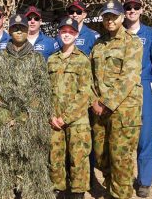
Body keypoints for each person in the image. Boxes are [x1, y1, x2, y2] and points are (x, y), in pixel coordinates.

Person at [0, 14, 54, 199]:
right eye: (15, 28)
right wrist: (5, 117)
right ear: (9, 31)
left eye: (23, 28)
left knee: (31, 163)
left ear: (28, 31)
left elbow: (41, 94)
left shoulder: (37, 59)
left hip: (29, 122)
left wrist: (22, 118)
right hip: (2, 121)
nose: (19, 31)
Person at [90, 0, 143, 199]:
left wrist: (106, 103)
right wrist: (94, 101)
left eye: (113, 16)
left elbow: (128, 78)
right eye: (106, 16)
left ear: (122, 17)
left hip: (123, 111)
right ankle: (112, 190)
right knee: (102, 157)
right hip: (99, 110)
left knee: (121, 159)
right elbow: (92, 76)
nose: (109, 20)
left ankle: (120, 195)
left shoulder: (132, 42)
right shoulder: (99, 43)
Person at [123, 0, 152, 197]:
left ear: (142, 9)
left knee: (145, 135)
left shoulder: (151, 33)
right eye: (128, 7)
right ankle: (121, 177)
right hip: (121, 90)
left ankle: (144, 181)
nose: (132, 10)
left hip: (143, 85)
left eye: (135, 7)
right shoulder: (118, 32)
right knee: (121, 135)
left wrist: (146, 78)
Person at [48, 17, 93, 199]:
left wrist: (65, 117)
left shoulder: (82, 60)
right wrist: (52, 115)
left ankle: (77, 193)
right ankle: (59, 189)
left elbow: (84, 93)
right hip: (54, 119)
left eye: (71, 32)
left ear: (77, 34)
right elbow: (46, 91)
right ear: (59, 33)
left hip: (77, 120)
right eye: (64, 31)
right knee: (55, 158)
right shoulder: (51, 59)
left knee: (78, 158)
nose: (67, 34)